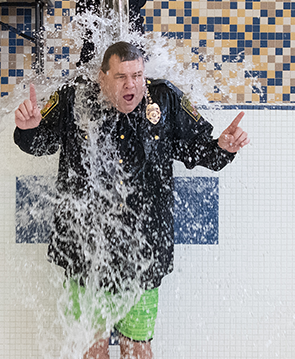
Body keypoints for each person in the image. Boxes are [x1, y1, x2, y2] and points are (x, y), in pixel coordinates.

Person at [14, 41, 249, 358]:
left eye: (137, 75)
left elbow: (197, 150)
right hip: (85, 249)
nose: (132, 85)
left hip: (144, 251)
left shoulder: (164, 100)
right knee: (92, 346)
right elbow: (42, 143)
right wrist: (28, 130)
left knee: (138, 347)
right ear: (102, 77)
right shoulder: (75, 100)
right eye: (122, 77)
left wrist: (223, 148)